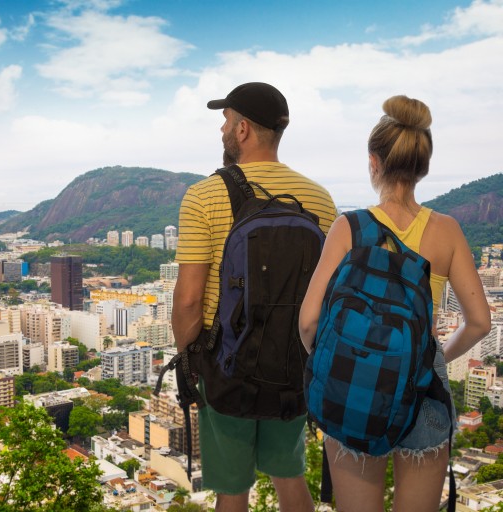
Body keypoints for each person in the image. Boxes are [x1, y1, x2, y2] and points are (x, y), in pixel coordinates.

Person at [299, 95, 492, 512]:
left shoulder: (348, 227)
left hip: (353, 381)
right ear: (422, 168)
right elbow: (479, 322)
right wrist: (435, 355)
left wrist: (338, 359)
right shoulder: (448, 231)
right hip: (423, 386)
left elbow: (308, 321)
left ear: (374, 162)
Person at [173, 82, 337, 511]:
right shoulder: (320, 199)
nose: (222, 130)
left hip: (225, 362)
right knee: (290, 476)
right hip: (293, 362)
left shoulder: (204, 195)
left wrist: (187, 356)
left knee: (232, 490)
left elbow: (189, 299)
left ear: (243, 129)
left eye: (225, 121)